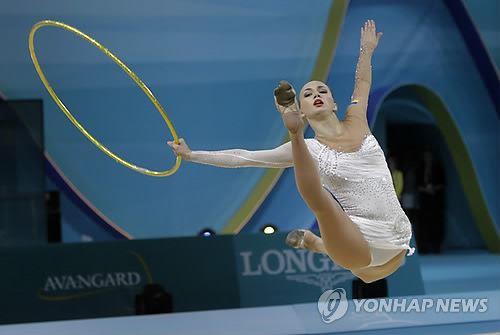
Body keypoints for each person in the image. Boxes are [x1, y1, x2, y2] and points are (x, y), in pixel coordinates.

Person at [168, 20, 414, 283]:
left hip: (398, 237)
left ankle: (318, 245)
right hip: (356, 241)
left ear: (333, 103)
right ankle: (293, 131)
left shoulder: (357, 119)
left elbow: (362, 81)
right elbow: (244, 157)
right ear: (303, 111)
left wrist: (367, 49)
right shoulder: (310, 149)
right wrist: (193, 155)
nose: (316, 94)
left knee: (366, 276)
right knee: (321, 201)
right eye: (307, 94)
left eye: (322, 90)